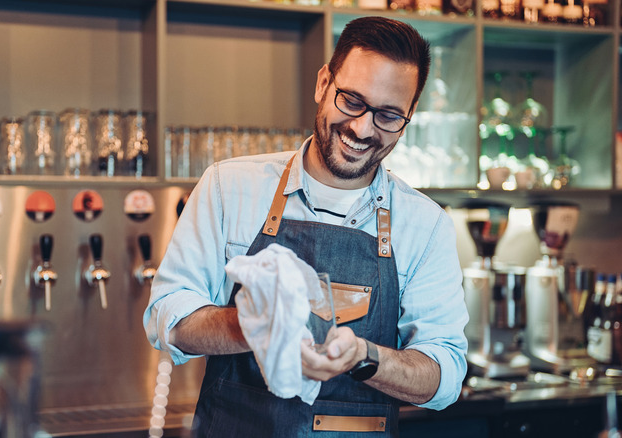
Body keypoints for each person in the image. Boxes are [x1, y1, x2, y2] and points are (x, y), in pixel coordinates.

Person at [143, 16, 468, 437]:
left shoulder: (426, 225)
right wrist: (255, 325)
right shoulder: (229, 186)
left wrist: (361, 357)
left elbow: (444, 377)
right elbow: (167, 318)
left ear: (410, 116)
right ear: (322, 84)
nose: (362, 128)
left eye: (388, 115)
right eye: (351, 100)